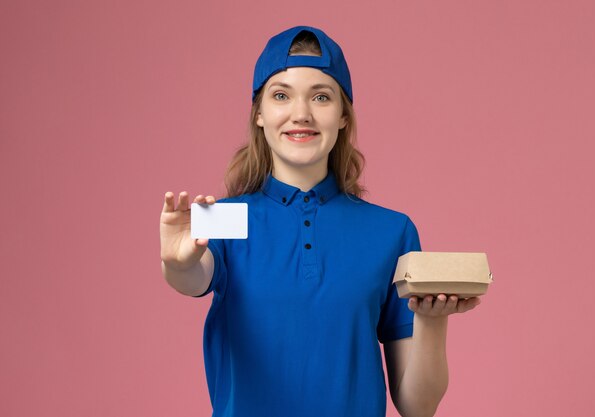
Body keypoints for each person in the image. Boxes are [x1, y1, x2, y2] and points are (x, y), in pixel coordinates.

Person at [160, 26, 481, 417]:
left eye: (321, 97)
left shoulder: (391, 232)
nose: (301, 114)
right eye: (281, 95)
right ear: (259, 114)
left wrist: (433, 323)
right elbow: (193, 278)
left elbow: (418, 406)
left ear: (344, 116)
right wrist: (177, 263)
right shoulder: (226, 217)